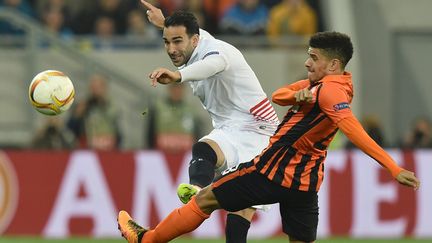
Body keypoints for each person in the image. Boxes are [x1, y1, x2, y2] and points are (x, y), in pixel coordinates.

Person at [117, 31, 421, 243]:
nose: (307, 62)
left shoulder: (328, 90)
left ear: (332, 64)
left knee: (207, 198)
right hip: (306, 183)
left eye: (313, 58)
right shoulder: (334, 84)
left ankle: (148, 239)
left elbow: (353, 129)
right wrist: (297, 94)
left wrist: (393, 168)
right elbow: (278, 94)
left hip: (272, 171)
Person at [138, 1, 280, 243]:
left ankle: (194, 190)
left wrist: (178, 76)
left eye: (177, 41)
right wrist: (165, 24)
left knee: (240, 202)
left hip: (258, 128)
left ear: (195, 40)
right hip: (232, 127)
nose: (171, 49)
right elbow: (186, 34)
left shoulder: (217, 51)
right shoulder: (194, 42)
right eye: (167, 42)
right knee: (239, 204)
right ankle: (195, 188)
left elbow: (212, 65)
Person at [67, 73, 122, 150]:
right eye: (93, 87)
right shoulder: (83, 106)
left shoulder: (112, 107)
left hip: (108, 148)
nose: (95, 90)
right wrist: (77, 115)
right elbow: (70, 128)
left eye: (98, 87)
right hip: (88, 148)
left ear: (105, 88)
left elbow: (117, 131)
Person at [146, 83, 204, 153]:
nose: (177, 91)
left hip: (185, 154)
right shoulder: (158, 108)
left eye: (179, 88)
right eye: (174, 88)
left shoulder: (191, 110)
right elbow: (150, 132)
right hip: (161, 153)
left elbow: (197, 133)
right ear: (169, 89)